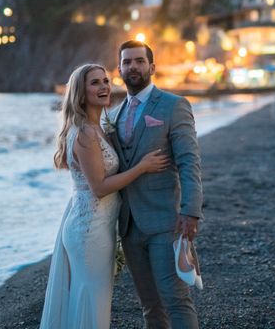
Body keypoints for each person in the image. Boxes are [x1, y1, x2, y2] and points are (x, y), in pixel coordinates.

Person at [40, 64, 169, 329]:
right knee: (93, 298)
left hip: (98, 224)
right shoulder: (86, 133)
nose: (104, 87)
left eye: (106, 81)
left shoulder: (99, 127)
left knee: (92, 297)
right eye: (95, 83)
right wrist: (142, 167)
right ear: (80, 92)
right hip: (90, 229)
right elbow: (99, 187)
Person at [106, 40, 203, 328]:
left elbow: (189, 161)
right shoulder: (113, 115)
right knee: (149, 306)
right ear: (120, 69)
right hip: (129, 226)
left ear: (152, 67)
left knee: (176, 300)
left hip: (166, 221)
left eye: (138, 61)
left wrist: (191, 211)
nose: (132, 67)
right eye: (127, 62)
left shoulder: (174, 106)